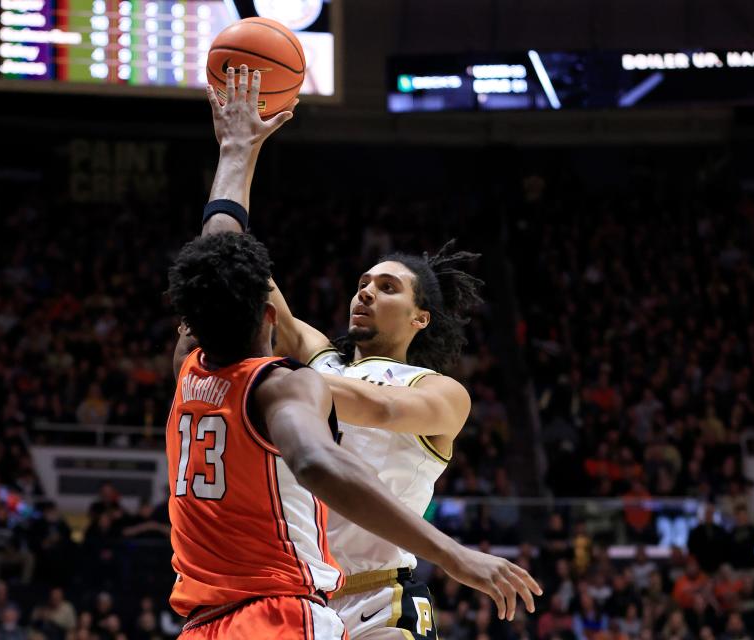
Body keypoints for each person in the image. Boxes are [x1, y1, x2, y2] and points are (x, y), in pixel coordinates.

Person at [167, 115, 541, 640]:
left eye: (387, 288)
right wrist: (240, 155)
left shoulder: (438, 391)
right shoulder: (317, 360)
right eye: (363, 282)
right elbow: (239, 279)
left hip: (380, 601)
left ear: (420, 318)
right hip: (298, 594)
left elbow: (381, 409)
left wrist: (278, 380)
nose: (365, 292)